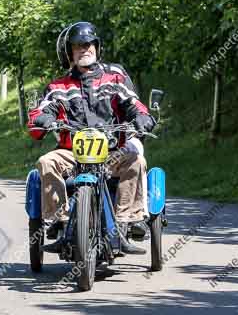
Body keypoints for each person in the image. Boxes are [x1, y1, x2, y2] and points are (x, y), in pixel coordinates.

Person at [27, 22, 157, 254]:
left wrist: (142, 117)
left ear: (97, 48)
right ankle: (62, 222)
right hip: (71, 153)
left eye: (88, 45)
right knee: (46, 162)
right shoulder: (58, 86)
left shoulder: (114, 80)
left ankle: (125, 223)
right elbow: (42, 110)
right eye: (77, 46)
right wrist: (43, 118)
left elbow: (134, 105)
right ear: (70, 53)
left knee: (137, 161)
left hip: (111, 151)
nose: (84, 49)